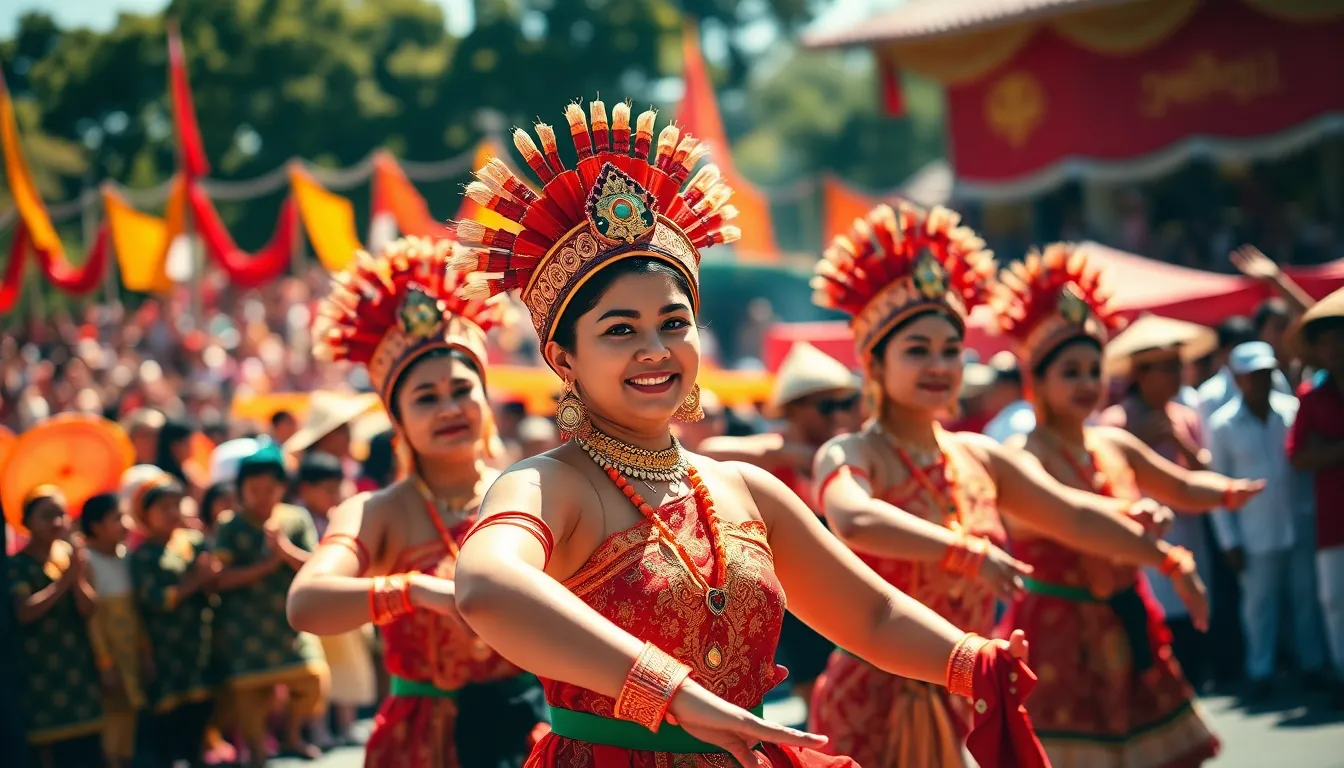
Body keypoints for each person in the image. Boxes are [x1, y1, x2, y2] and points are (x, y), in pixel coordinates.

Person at [448, 99, 1047, 768]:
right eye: (620, 330)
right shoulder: (548, 483)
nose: (654, 349)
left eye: (674, 324)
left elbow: (871, 617)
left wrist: (975, 661)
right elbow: (485, 585)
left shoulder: (744, 491)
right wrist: (670, 692)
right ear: (564, 360)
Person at [805, 206, 1213, 767]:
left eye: (950, 349)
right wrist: (964, 551)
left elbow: (1072, 515)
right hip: (873, 700)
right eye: (917, 350)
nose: (939, 364)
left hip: (965, 696)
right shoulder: (852, 453)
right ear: (874, 364)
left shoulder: (979, 457)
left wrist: (1164, 559)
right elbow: (854, 517)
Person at [991, 244, 1264, 766]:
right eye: (1070, 371)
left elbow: (1180, 486)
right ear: (1037, 382)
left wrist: (1231, 492)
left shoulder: (1112, 443)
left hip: (1126, 616)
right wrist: (1149, 538)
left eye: (1094, 370)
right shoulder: (1021, 455)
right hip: (1057, 630)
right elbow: (1070, 519)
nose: (1086, 383)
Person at [287, 236, 546, 768]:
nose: (449, 407)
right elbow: (306, 603)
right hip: (424, 743)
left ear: (484, 396)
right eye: (426, 398)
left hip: (530, 729)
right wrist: (415, 591)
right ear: (397, 418)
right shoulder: (377, 511)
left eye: (460, 389)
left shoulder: (534, 489)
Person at [698, 342, 861, 701]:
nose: (840, 415)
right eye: (827, 406)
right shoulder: (776, 449)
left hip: (849, 584)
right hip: (797, 593)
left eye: (846, 404)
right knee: (814, 689)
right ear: (793, 411)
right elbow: (708, 451)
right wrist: (786, 452)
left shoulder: (854, 448)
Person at [1097, 315, 1223, 690]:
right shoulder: (1115, 422)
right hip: (1144, 542)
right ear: (1141, 374)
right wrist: (1135, 442)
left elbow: (1205, 472)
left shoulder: (1185, 416)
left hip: (1191, 533)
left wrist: (1179, 442)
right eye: (1167, 368)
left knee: (1194, 620)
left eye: (1178, 367)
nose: (1176, 376)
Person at [1209, 341, 1326, 700]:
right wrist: (1229, 542)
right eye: (1253, 376)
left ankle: (1311, 664)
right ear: (1238, 379)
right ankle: (1261, 670)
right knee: (1259, 606)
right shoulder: (1222, 425)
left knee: (1306, 599)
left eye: (1265, 374)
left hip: (1297, 522)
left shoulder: (1291, 410)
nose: (1261, 382)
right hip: (1254, 531)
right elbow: (1217, 485)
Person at [212, 444, 328, 765]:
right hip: (244, 627)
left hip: (290, 621)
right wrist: (264, 566)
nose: (261, 496)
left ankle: (293, 735)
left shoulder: (296, 518)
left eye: (269, 488)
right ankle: (259, 753)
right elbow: (219, 578)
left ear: (282, 487)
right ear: (240, 490)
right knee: (251, 696)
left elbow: (316, 564)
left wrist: (284, 551)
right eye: (253, 489)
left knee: (313, 679)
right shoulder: (229, 525)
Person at [126, 472, 219, 767]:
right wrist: (194, 581)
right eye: (162, 507)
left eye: (175, 504)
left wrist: (210, 577)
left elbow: (212, 580)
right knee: (168, 715)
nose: (171, 513)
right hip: (164, 644)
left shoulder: (193, 540)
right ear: (145, 514)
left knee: (200, 707)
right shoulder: (142, 556)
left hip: (198, 639)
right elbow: (155, 599)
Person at [7, 486, 104, 768]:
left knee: (86, 750)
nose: (57, 522)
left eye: (62, 514)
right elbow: (24, 612)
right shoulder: (18, 566)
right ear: (26, 522)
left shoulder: (69, 558)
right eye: (47, 515)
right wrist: (65, 581)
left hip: (78, 668)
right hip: (40, 671)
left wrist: (76, 576)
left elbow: (88, 609)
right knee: (48, 751)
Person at [1285, 287, 1344, 707]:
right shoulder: (1311, 397)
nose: (1335, 349)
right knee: (1335, 602)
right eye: (1327, 342)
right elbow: (1299, 456)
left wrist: (1331, 448)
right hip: (1332, 519)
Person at [80, 493, 145, 768]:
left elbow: (135, 611)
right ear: (95, 526)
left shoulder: (125, 556)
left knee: (130, 713)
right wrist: (104, 661)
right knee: (113, 715)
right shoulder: (86, 562)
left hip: (131, 651)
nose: (126, 524)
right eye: (117, 518)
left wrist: (145, 651)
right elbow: (93, 620)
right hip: (109, 655)